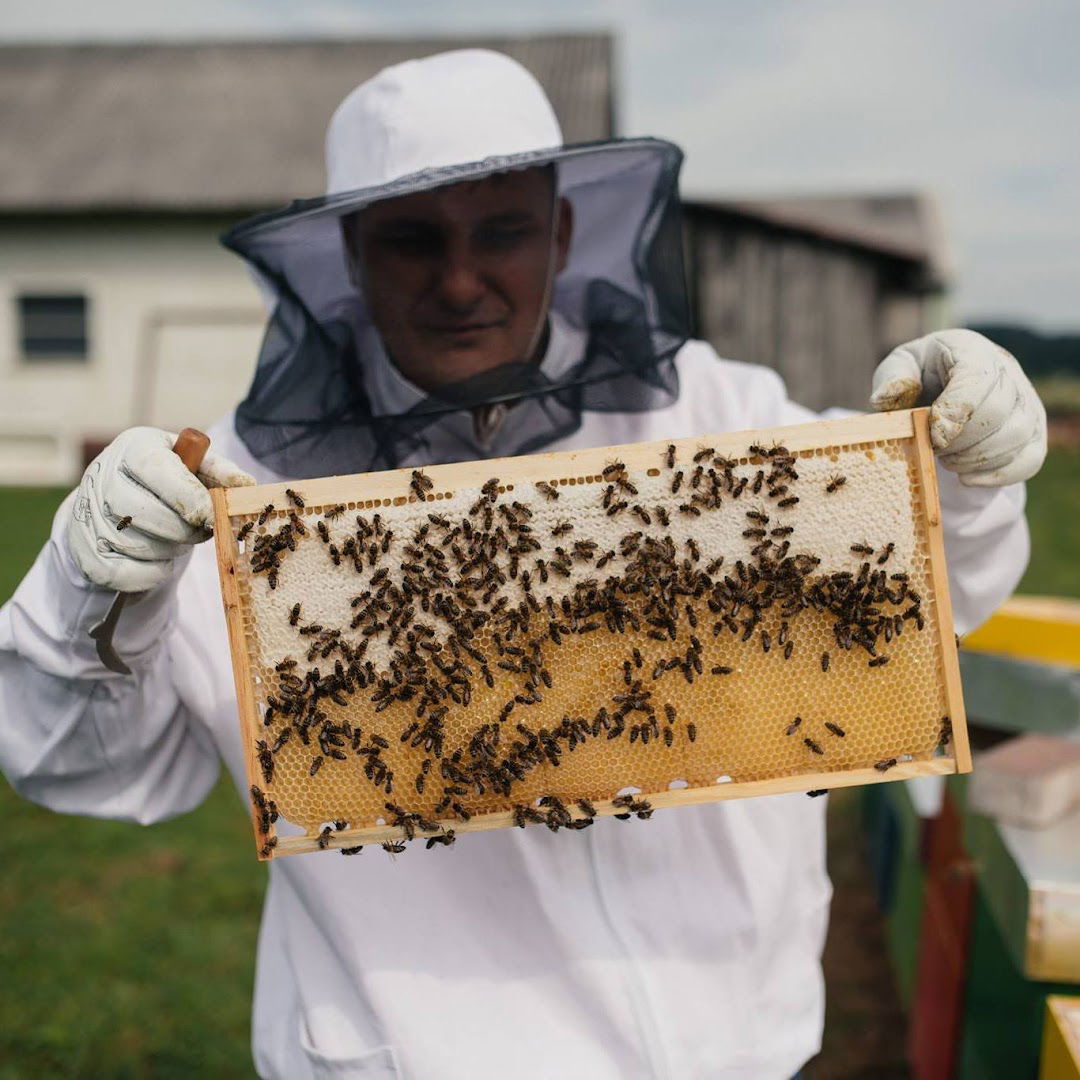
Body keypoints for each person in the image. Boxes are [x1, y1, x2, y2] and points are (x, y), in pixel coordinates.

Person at [0, 49, 1045, 1080]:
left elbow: (925, 593)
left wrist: (964, 470)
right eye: (414, 242)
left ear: (561, 230)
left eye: (500, 230)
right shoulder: (243, 490)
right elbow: (89, 767)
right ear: (352, 256)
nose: (460, 281)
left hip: (739, 1038)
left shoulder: (716, 413)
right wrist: (92, 592)